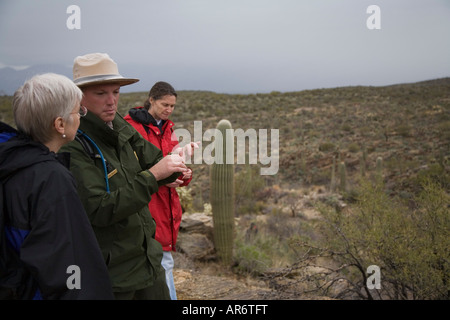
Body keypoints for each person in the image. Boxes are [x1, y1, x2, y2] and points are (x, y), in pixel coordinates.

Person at [59, 53, 188, 300]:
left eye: (116, 92)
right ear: (79, 97)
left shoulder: (117, 124)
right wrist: (154, 176)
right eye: (101, 94)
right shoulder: (73, 144)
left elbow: (151, 158)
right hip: (114, 275)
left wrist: (173, 169)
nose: (111, 101)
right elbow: (99, 208)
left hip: (148, 260)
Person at [0, 73, 114, 300]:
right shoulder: (50, 179)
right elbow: (68, 263)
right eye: (77, 111)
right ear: (60, 124)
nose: (81, 116)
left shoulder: (10, 161)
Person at [124, 81, 198, 300]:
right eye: (165, 104)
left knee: (163, 263)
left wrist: (184, 175)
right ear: (151, 100)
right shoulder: (131, 129)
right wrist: (160, 177)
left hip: (166, 208)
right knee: (161, 263)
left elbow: (174, 165)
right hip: (146, 207)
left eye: (172, 106)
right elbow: (130, 171)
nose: (169, 109)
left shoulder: (168, 129)